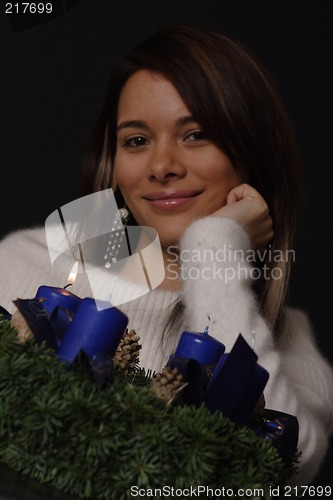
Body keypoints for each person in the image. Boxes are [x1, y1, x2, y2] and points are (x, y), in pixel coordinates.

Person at [0, 26, 332, 486]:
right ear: (112, 163)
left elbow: (277, 472)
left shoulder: (292, 343)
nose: (162, 166)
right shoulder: (26, 260)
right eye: (136, 140)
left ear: (254, 156)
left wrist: (213, 248)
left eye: (196, 135)